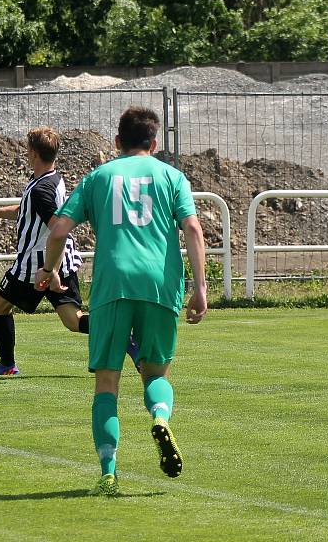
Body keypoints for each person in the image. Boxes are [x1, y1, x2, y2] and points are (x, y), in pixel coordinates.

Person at [35, 106, 207, 496]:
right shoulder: (172, 176)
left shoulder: (99, 176)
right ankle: (160, 418)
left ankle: (108, 473)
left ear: (116, 142)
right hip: (160, 285)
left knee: (107, 383)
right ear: (155, 142)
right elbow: (193, 228)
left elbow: (59, 227)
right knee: (155, 374)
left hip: (113, 284)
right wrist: (200, 287)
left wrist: (49, 269)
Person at [0, 126, 89, 376]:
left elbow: (58, 228)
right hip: (60, 260)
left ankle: (6, 365)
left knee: (0, 305)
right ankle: (125, 335)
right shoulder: (52, 180)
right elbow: (26, 211)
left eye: (27, 150)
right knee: (74, 321)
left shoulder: (40, 190)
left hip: (35, 266)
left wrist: (49, 270)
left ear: (34, 154)